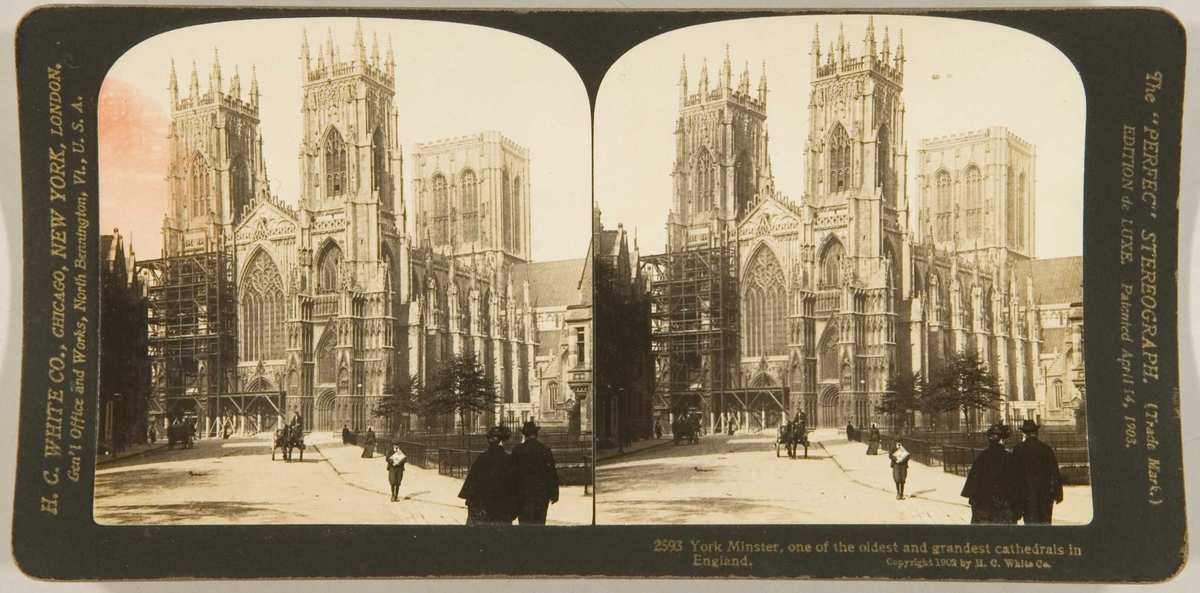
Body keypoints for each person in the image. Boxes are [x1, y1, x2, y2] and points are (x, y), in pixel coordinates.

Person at [458, 426, 519, 525]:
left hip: (481, 509)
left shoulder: (482, 458)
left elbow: (471, 483)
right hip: (501, 509)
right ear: (501, 441)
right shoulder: (509, 460)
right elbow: (514, 486)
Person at [961, 423, 1018, 524]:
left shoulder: (982, 457)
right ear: (1002, 439)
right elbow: (1015, 483)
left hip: (984, 507)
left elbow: (973, 483)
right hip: (1004, 506)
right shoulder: (1009, 457)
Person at [1011, 419, 1064, 524]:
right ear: (1037, 433)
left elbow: (1014, 474)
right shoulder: (1046, 449)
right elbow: (1055, 472)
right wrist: (1058, 494)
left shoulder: (1018, 449)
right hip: (1045, 492)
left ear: (1024, 433)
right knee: (1045, 521)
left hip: (1026, 493)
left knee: (1030, 521)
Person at [511, 420, 560, 525]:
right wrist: (554, 494)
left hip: (522, 493)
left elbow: (512, 474)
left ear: (524, 435)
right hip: (541, 493)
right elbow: (552, 473)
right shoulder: (545, 450)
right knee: (539, 521)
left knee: (524, 523)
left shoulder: (517, 450)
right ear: (536, 434)